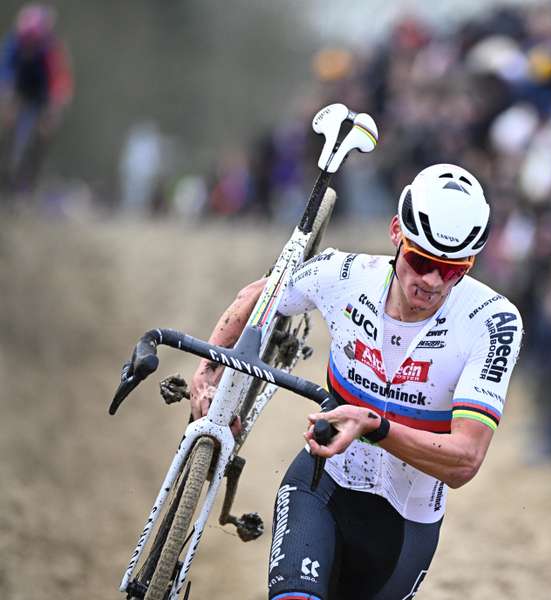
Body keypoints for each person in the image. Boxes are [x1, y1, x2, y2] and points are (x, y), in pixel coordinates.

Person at [189, 164, 524, 600]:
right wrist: (208, 371)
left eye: (450, 270)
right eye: (420, 261)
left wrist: (374, 427)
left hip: (405, 525)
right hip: (321, 482)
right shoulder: (346, 275)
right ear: (395, 234)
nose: (430, 281)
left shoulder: (491, 321)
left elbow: (465, 461)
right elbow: (259, 296)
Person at [0, 3, 72, 193]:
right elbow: (5, 71)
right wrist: (7, 98)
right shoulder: (14, 43)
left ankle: (28, 183)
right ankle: (7, 177)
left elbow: (59, 79)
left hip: (41, 97)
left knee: (42, 136)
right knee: (10, 130)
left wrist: (54, 107)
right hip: (19, 93)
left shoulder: (49, 48)